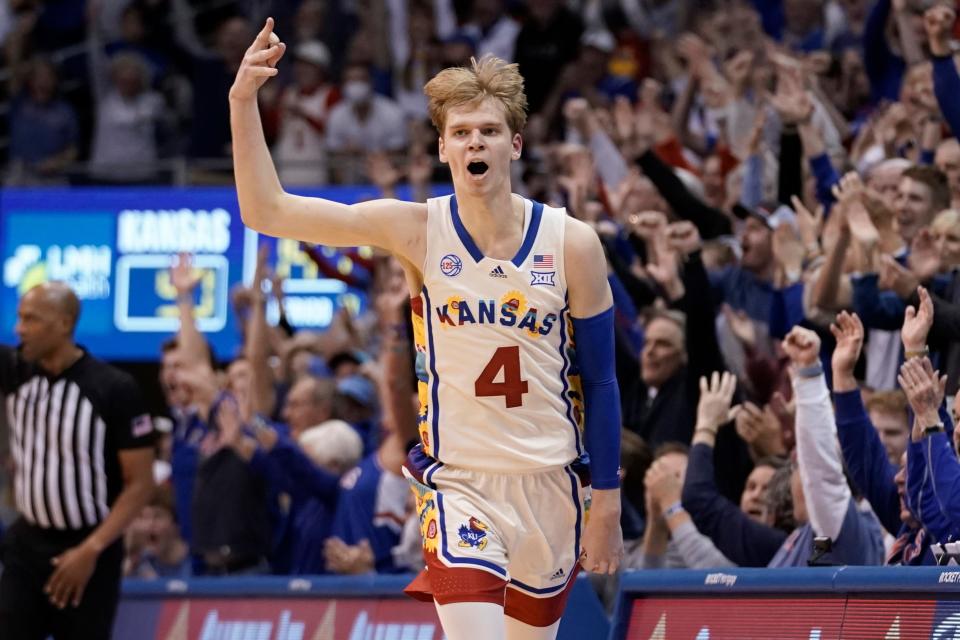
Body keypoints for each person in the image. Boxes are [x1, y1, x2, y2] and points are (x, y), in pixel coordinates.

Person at [230, 18, 622, 639]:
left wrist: (608, 501)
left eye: (490, 131)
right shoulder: (415, 229)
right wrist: (243, 100)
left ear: (515, 145)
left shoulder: (572, 242)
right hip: (458, 482)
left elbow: (601, 381)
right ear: (443, 148)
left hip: (551, 482)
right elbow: (266, 210)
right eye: (461, 132)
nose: (475, 144)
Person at [0, 282, 156, 639]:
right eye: (19, 318)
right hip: (27, 545)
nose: (18, 328)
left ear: (64, 324)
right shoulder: (15, 370)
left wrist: (91, 550)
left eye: (30, 319)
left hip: (91, 548)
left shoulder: (114, 388)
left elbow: (141, 484)